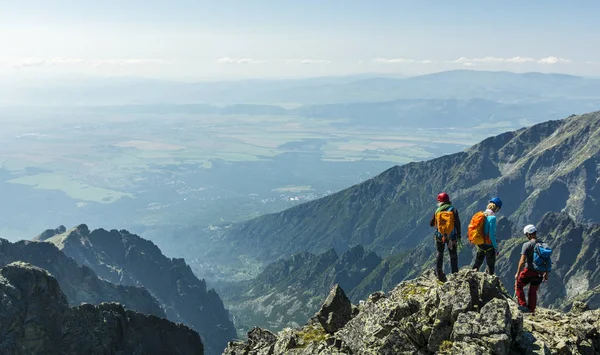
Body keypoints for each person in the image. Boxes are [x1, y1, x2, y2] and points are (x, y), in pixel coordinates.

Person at [515, 224, 549, 313]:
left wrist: (517, 273)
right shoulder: (543, 244)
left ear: (528, 234)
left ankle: (522, 305)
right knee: (533, 291)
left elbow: (522, 261)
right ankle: (531, 310)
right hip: (540, 272)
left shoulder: (527, 245)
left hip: (529, 271)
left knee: (518, 285)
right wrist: (546, 273)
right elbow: (547, 260)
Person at [429, 192, 461, 281]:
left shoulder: (437, 211)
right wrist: (458, 235)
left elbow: (431, 224)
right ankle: (455, 274)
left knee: (440, 253)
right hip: (451, 237)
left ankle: (439, 273)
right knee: (453, 255)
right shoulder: (453, 210)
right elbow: (458, 223)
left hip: (440, 236)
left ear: (439, 201)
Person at [471, 197, 502, 275]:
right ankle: (490, 281)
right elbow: (491, 235)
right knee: (491, 266)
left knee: (477, 263)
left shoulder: (482, 214)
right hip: (489, 245)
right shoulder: (493, 218)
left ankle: (471, 278)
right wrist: (495, 247)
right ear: (497, 208)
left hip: (480, 243)